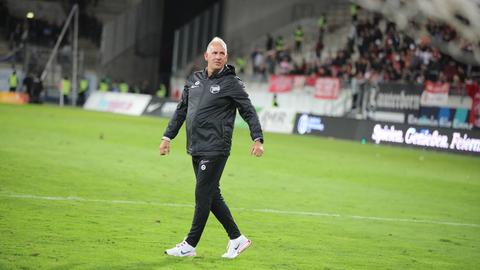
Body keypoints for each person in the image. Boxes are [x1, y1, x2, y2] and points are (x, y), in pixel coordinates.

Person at [160, 37, 264, 259]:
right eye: (214, 53)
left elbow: (248, 111)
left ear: (226, 57)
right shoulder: (194, 79)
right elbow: (181, 110)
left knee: (202, 194)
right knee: (211, 195)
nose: (218, 57)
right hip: (196, 146)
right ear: (206, 56)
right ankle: (237, 239)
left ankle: (189, 245)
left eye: (222, 54)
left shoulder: (231, 83)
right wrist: (167, 137)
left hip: (216, 147)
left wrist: (258, 138)